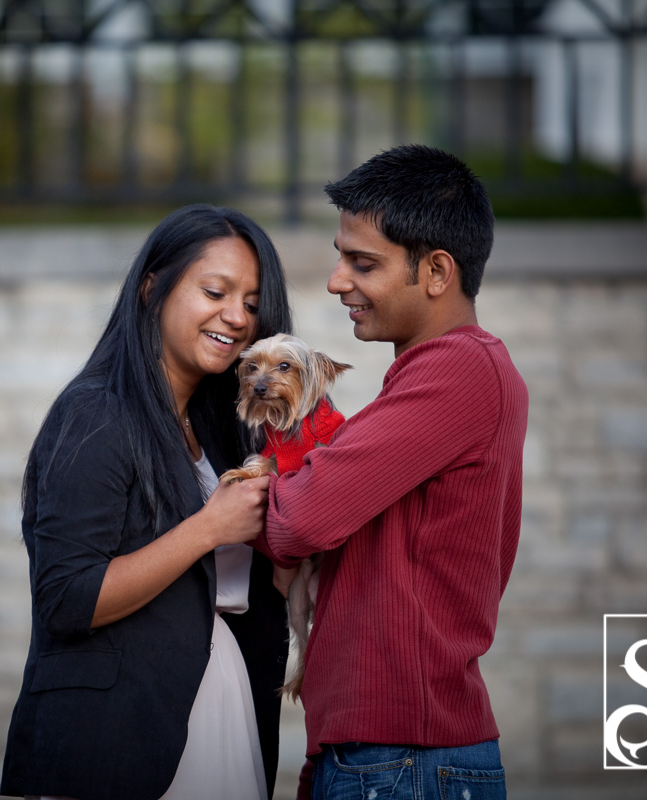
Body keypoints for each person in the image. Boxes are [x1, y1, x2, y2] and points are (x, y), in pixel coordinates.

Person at [252, 144, 529, 800]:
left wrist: (257, 497)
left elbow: (301, 518)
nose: (336, 280)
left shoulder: (459, 371)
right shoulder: (433, 375)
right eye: (340, 256)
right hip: (393, 756)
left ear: (436, 271)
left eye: (363, 263)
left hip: (406, 760)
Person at [0, 204, 294, 800]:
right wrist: (208, 528)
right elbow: (66, 597)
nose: (236, 317)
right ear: (151, 287)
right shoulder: (94, 415)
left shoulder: (219, 433)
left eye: (252, 302)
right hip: (121, 739)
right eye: (215, 291)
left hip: (221, 717)